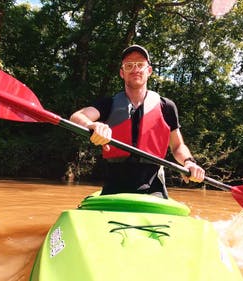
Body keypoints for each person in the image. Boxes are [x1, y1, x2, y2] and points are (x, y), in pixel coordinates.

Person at [70, 44, 205, 198]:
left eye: (140, 65)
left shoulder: (166, 106)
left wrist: (189, 162)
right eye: (129, 65)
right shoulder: (108, 104)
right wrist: (91, 125)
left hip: (153, 188)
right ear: (122, 73)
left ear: (149, 71)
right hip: (114, 187)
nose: (135, 69)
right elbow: (76, 117)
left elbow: (177, 146)